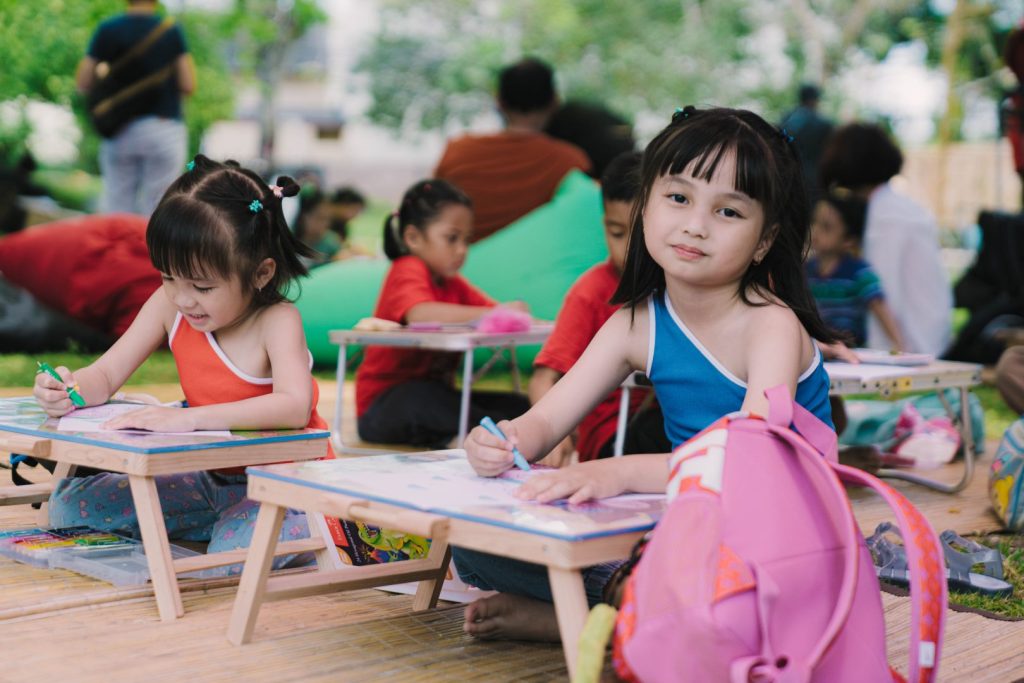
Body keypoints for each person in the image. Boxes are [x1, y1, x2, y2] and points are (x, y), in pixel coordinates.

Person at [454, 105, 838, 642]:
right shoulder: (636, 322)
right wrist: (500, 442)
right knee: (474, 542)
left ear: (766, 239)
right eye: (678, 197)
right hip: (683, 531)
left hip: (779, 548)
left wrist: (617, 472)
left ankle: (603, 621)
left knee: (731, 596)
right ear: (645, 206)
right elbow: (544, 422)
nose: (695, 225)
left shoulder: (771, 326)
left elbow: (756, 461)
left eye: (729, 212)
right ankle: (635, 612)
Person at [32, 155, 326, 564]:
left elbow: (295, 407)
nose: (183, 298)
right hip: (208, 476)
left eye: (202, 285)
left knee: (236, 554)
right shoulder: (167, 305)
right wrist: (69, 390)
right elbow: (105, 372)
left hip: (286, 483)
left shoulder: (276, 320)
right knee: (68, 507)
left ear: (260, 273)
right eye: (168, 277)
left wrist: (187, 418)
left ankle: (303, 526)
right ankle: (224, 523)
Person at [355, 180, 531, 447]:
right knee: (423, 398)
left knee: (519, 405)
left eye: (466, 240)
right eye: (452, 238)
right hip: (382, 408)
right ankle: (499, 437)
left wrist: (518, 315)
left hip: (435, 396)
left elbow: (493, 311)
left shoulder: (452, 284)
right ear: (413, 237)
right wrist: (497, 313)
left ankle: (474, 436)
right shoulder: (407, 268)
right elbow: (420, 314)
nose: (462, 250)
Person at [530, 151, 669, 464]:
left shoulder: (682, 287)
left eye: (640, 233)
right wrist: (555, 436)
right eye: (616, 233)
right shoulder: (590, 292)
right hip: (612, 439)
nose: (627, 249)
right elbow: (543, 378)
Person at [819, 123, 952, 356]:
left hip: (913, 346)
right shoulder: (899, 207)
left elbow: (882, 291)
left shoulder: (885, 217)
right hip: (930, 336)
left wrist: (880, 356)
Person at [434, 57, 591, 242]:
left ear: (499, 101)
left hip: (461, 265)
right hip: (535, 266)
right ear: (554, 101)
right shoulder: (571, 162)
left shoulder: (457, 151)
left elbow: (433, 212)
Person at [76, 0, 196, 216]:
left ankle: (118, 249)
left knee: (117, 205)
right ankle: (148, 250)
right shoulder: (170, 30)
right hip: (163, 128)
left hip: (120, 128)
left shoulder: (108, 29)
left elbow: (83, 82)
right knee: (158, 209)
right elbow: (188, 85)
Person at [806, 192, 905, 350]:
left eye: (826, 227)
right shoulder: (805, 272)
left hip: (852, 354)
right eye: (813, 222)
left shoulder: (859, 273)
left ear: (848, 240)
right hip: (818, 352)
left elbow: (879, 307)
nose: (815, 230)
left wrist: (899, 345)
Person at [780, 84, 834, 204]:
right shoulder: (824, 124)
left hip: (786, 177)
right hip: (814, 182)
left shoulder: (786, 120)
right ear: (815, 99)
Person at [292, 187, 367, 267]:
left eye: (327, 219)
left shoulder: (329, 243)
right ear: (303, 216)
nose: (325, 224)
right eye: (319, 218)